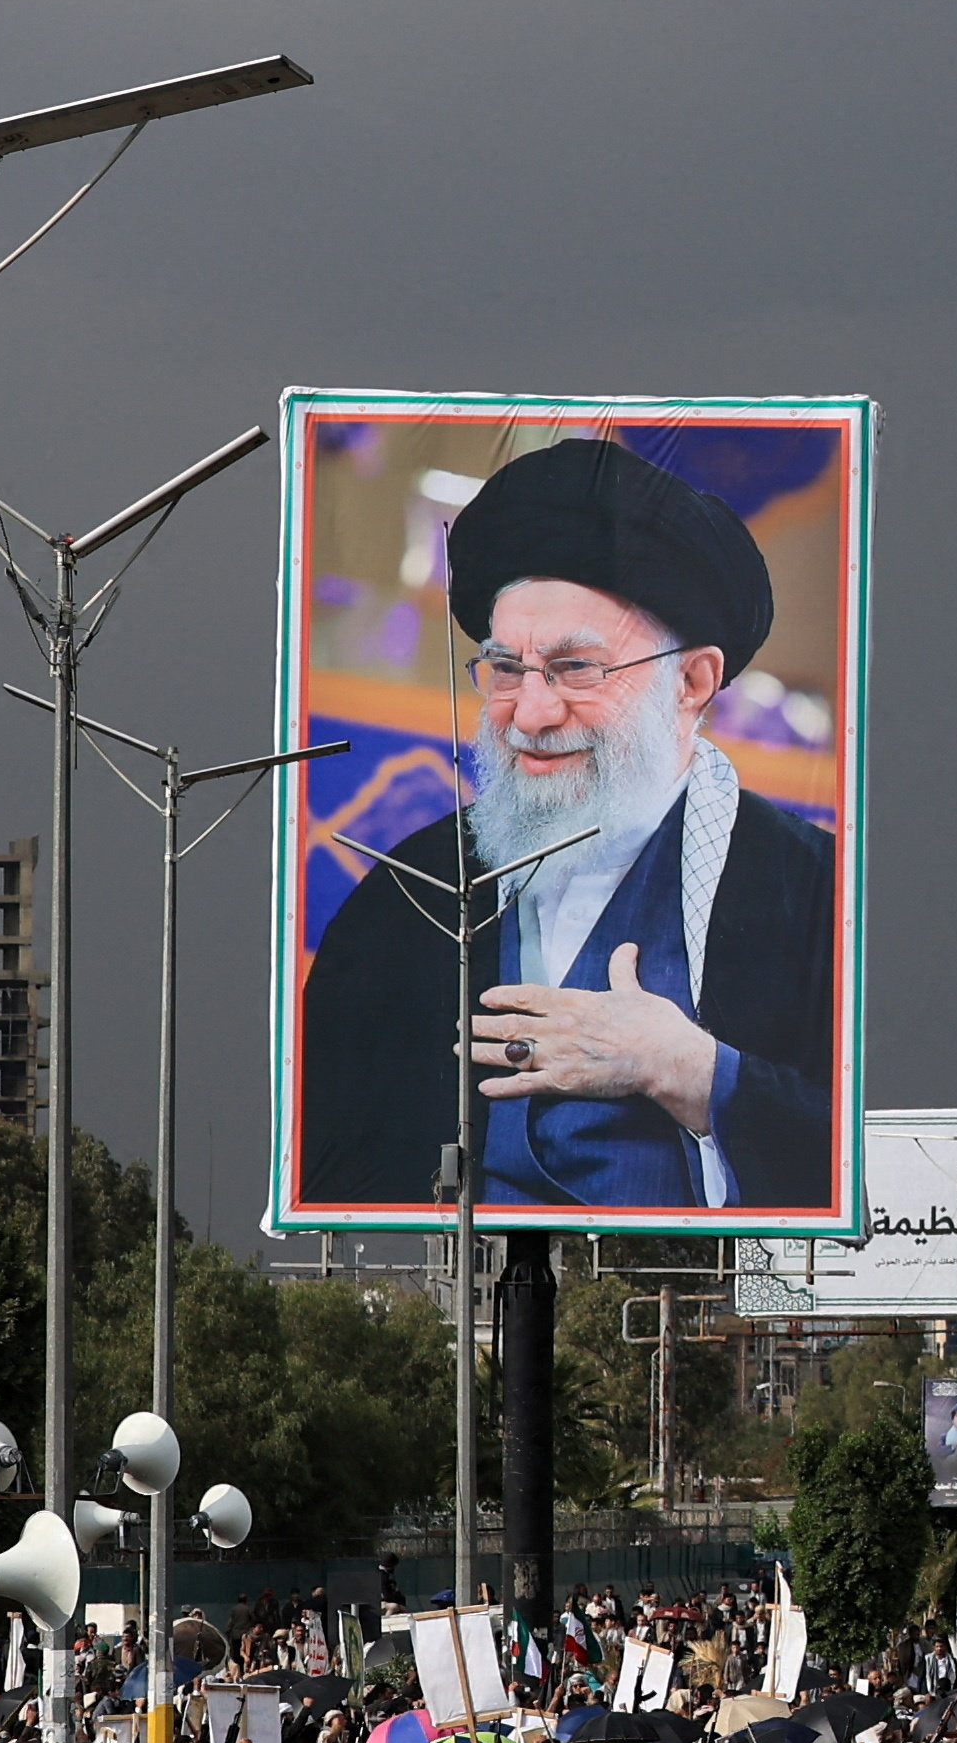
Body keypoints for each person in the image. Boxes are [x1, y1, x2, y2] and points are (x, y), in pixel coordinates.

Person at [296, 436, 840, 1222]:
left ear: (691, 683)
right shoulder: (406, 897)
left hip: (693, 1319)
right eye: (506, 670)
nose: (533, 713)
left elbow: (876, 1164)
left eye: (576, 670)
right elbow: (339, 1171)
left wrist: (690, 1070)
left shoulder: (811, 891)